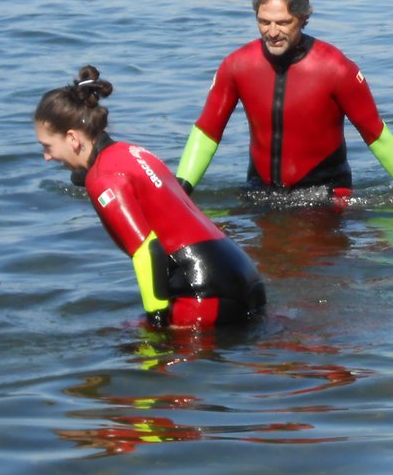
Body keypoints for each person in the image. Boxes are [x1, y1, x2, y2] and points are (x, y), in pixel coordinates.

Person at [34, 66, 266, 327]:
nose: (46, 156)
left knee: (140, 351)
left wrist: (156, 321)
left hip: (205, 289)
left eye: (47, 147)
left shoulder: (103, 179)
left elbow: (147, 251)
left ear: (72, 138)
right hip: (241, 272)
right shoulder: (131, 152)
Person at [176, 0, 393, 198]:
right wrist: (180, 190)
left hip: (324, 197)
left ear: (303, 18)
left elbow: (376, 135)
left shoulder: (336, 69)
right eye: (264, 21)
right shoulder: (236, 66)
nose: (272, 32)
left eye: (283, 22)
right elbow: (207, 133)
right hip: (260, 194)